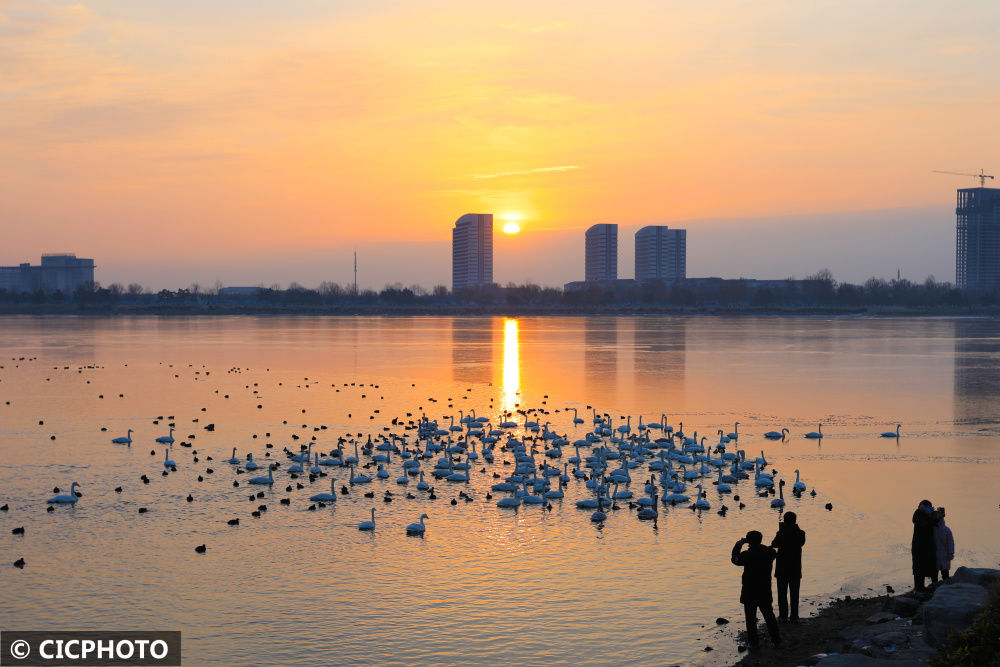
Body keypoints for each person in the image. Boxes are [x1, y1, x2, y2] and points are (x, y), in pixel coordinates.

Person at [732, 530, 781, 649]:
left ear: (748, 541)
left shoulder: (747, 555)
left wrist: (739, 544)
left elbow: (735, 559)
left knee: (750, 619)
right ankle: (776, 640)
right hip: (764, 589)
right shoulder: (770, 552)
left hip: (750, 590)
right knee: (769, 616)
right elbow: (772, 550)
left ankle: (754, 643)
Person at [771, 512, 806, 622]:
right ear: (795, 520)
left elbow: (774, 544)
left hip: (782, 568)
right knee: (794, 594)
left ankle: (783, 616)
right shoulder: (800, 533)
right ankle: (794, 616)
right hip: (795, 568)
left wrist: (781, 531)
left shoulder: (781, 532)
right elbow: (800, 542)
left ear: (785, 521)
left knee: (782, 594)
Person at [911, 499, 938, 591]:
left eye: (929, 509)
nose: (928, 511)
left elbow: (938, 527)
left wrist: (937, 517)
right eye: (925, 508)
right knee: (918, 570)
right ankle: (919, 588)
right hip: (918, 547)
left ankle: (934, 586)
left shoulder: (930, 516)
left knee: (932, 567)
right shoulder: (918, 515)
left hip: (929, 547)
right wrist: (922, 511)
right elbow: (924, 525)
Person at [933, 507, 954, 581]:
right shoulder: (933, 528)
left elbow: (950, 542)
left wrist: (951, 553)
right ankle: (934, 584)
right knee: (934, 572)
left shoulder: (946, 530)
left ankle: (945, 583)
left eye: (941, 514)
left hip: (944, 555)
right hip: (935, 554)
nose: (939, 516)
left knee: (945, 572)